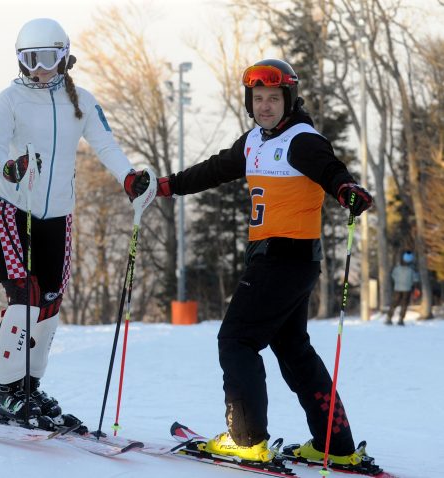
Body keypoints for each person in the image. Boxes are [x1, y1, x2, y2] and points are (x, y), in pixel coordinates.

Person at [152, 59, 374, 465]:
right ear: (249, 102)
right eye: (258, 99)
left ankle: (247, 438)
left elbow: (331, 170)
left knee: (236, 340)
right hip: (287, 261)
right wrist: (165, 186)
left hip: (282, 259)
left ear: (289, 99)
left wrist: (346, 190)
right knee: (294, 349)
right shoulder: (254, 141)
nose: (266, 106)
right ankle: (335, 446)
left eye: (274, 98)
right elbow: (215, 169)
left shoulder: (302, 140)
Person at [0, 17, 149, 427]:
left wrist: (128, 177)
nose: (41, 68)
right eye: (31, 60)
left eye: (50, 58)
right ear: (20, 61)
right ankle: (5, 392)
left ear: (65, 57)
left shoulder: (82, 101)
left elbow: (106, 144)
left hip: (57, 217)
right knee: (24, 296)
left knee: (50, 303)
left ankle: (29, 389)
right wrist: (9, 167)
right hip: (10, 210)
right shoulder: (10, 100)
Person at [385, 250, 419, 325]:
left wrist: (397, 282)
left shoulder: (397, 268)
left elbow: (393, 276)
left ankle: (389, 317)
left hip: (397, 288)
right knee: (404, 304)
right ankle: (401, 319)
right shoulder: (411, 270)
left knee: (394, 303)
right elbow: (415, 279)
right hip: (407, 289)